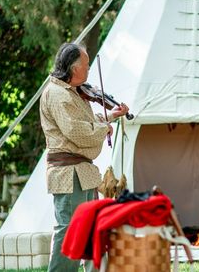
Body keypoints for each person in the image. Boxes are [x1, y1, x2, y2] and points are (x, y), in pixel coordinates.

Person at [39, 42, 129, 272]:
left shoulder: (73, 93)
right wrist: (104, 129)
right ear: (72, 67)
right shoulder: (57, 94)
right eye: (86, 65)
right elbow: (75, 131)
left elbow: (85, 123)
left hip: (84, 172)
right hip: (68, 173)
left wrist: (109, 117)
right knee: (69, 230)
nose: (89, 69)